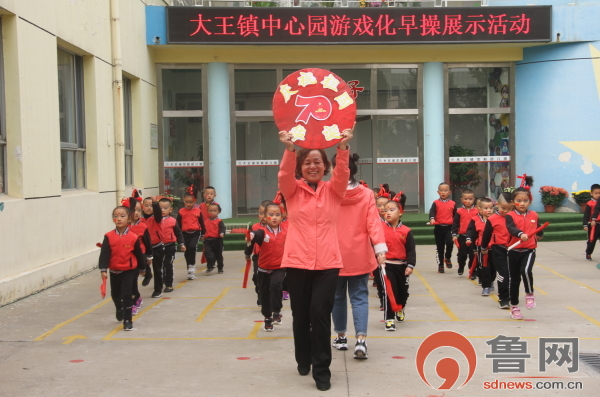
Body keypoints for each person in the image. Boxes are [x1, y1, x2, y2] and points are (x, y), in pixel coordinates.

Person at [277, 125, 353, 392]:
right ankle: (303, 356)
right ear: (301, 167)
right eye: (307, 162)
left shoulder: (334, 191)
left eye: (317, 162)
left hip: (328, 263)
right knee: (300, 315)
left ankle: (322, 370)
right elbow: (284, 174)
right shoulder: (292, 191)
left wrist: (342, 148)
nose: (312, 166)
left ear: (325, 166)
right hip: (297, 262)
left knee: (320, 314)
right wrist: (289, 149)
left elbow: (343, 174)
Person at [331, 152, 387, 359]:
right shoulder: (365, 193)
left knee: (337, 298)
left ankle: (341, 337)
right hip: (359, 254)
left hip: (333, 254)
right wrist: (380, 249)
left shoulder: (328, 191)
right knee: (360, 297)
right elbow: (373, 223)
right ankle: (361, 341)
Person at [98, 206, 145, 331]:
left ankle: (128, 320)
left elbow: (138, 254)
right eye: (116, 216)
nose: (119, 219)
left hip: (128, 271)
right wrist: (103, 269)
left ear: (129, 218)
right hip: (114, 271)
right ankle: (119, 308)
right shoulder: (108, 236)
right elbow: (104, 254)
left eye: (122, 216)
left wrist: (142, 268)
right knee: (115, 295)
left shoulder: (133, 237)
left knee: (127, 295)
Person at [245, 202, 288, 331]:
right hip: (263, 268)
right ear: (264, 217)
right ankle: (267, 317)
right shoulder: (262, 232)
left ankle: (277, 311)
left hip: (279, 267)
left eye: (277, 215)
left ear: (282, 216)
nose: (274, 217)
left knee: (276, 285)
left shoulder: (286, 232)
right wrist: (250, 236)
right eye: (270, 215)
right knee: (264, 294)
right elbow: (254, 235)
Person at [505, 187, 544, 320]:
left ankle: (529, 294)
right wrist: (520, 234)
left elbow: (538, 227)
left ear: (530, 202)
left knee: (526, 270)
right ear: (513, 202)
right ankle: (514, 307)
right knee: (514, 280)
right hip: (513, 251)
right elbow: (511, 228)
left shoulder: (534, 215)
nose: (522, 203)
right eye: (518, 200)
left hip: (529, 249)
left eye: (525, 201)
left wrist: (539, 234)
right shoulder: (510, 216)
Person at [381, 194, 415, 332]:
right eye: (385, 210)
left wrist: (410, 265)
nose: (387, 212)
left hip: (402, 266)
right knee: (390, 292)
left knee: (402, 292)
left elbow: (411, 250)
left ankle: (400, 308)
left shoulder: (406, 231)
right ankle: (389, 319)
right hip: (386, 265)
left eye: (391, 210)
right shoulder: (380, 229)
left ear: (400, 212)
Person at [481, 192, 513, 309]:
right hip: (498, 248)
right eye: (503, 208)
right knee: (503, 274)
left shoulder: (515, 217)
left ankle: (512, 296)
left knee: (513, 275)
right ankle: (504, 298)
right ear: (497, 205)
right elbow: (486, 234)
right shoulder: (493, 219)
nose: (505, 211)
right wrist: (484, 247)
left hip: (514, 249)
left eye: (509, 209)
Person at [126, 197, 153, 315]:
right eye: (133, 210)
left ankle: (133, 301)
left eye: (138, 210)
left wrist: (149, 256)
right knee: (129, 280)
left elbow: (148, 242)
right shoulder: (123, 225)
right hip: (126, 256)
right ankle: (136, 296)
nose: (136, 213)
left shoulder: (142, 226)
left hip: (139, 255)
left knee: (133, 279)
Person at [466, 197, 495, 296]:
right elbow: (471, 232)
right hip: (482, 249)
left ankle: (491, 280)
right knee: (484, 267)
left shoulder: (496, 220)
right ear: (480, 210)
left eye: (491, 208)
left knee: (494, 267)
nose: (489, 210)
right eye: (486, 208)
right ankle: (485, 286)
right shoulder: (475, 220)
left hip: (495, 248)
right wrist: (469, 239)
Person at [158, 197, 185, 292]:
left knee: (168, 264)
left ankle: (169, 284)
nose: (162, 210)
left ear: (170, 209)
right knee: (159, 265)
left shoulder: (173, 221)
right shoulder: (154, 220)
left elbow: (178, 233)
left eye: (165, 208)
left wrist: (181, 243)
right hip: (158, 246)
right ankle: (160, 281)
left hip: (170, 245)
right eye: (160, 208)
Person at [429, 183, 457, 273]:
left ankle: (447, 257)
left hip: (449, 227)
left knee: (450, 242)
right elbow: (432, 212)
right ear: (438, 192)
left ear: (449, 192)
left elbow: (456, 216)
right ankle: (440, 264)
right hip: (439, 227)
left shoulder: (453, 203)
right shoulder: (435, 203)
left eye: (445, 190)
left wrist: (456, 227)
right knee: (440, 247)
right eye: (441, 190)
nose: (443, 192)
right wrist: (432, 219)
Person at [177, 185, 202, 280]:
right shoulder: (181, 211)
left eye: (191, 202)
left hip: (195, 232)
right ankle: (189, 268)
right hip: (184, 233)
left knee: (192, 247)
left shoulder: (198, 210)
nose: (188, 204)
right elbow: (178, 224)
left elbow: (201, 222)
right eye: (186, 202)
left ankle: (192, 265)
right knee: (186, 251)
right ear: (183, 200)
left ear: (194, 201)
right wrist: (178, 234)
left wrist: (203, 233)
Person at [451, 189, 477, 276]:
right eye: (466, 199)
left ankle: (472, 270)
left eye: (470, 199)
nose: (468, 201)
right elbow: (455, 224)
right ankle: (461, 266)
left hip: (474, 237)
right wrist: (454, 234)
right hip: (462, 236)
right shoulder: (459, 211)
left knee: (473, 255)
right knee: (462, 255)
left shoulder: (477, 211)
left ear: (474, 199)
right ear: (462, 200)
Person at [250, 200, 270, 306]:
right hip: (258, 256)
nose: (262, 216)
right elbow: (250, 242)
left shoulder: (275, 227)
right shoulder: (254, 227)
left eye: (265, 213)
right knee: (257, 277)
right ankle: (260, 295)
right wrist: (247, 253)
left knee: (272, 279)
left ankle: (268, 296)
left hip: (272, 256)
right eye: (260, 213)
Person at [201, 203, 225, 273]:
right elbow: (203, 230)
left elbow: (222, 228)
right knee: (208, 253)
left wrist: (222, 233)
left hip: (217, 240)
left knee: (219, 255)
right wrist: (202, 235)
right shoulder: (206, 222)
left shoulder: (219, 221)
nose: (212, 212)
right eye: (211, 211)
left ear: (218, 212)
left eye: (215, 211)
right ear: (208, 212)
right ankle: (210, 266)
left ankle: (220, 267)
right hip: (208, 241)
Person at [583, 184, 600, 260]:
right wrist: (585, 225)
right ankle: (588, 253)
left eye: (599, 193)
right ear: (591, 193)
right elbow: (586, 215)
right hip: (593, 225)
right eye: (596, 193)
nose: (598, 195)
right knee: (592, 240)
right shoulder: (590, 203)